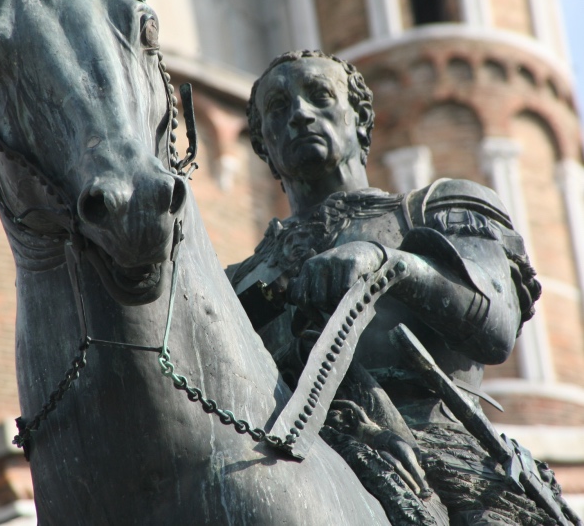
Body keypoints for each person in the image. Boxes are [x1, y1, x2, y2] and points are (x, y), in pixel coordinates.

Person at [227, 50, 570, 525]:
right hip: (278, 456)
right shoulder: (238, 283)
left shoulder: (436, 208)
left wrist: (391, 263)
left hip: (438, 450)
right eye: (279, 108)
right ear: (263, 144)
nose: (300, 113)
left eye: (320, 96)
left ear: (361, 119)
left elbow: (496, 329)